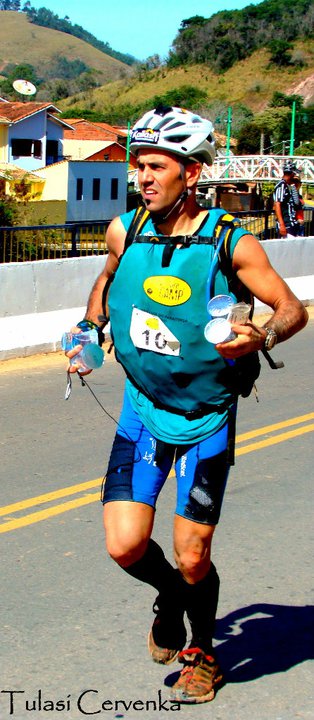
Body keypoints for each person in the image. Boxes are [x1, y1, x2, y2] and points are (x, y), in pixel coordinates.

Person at [65, 106, 308, 705]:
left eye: (156, 166)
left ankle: (203, 648)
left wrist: (264, 335)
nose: (142, 178)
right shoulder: (126, 229)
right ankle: (170, 594)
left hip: (206, 417)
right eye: (138, 166)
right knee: (124, 545)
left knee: (193, 553)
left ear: (191, 173)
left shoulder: (232, 241)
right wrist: (90, 328)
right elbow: (107, 278)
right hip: (142, 408)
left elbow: (292, 309)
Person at [273, 160, 300, 238]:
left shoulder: (289, 186)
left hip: (292, 223)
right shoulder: (281, 186)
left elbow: (296, 202)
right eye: (294, 174)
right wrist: (282, 225)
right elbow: (277, 204)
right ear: (291, 174)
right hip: (286, 224)